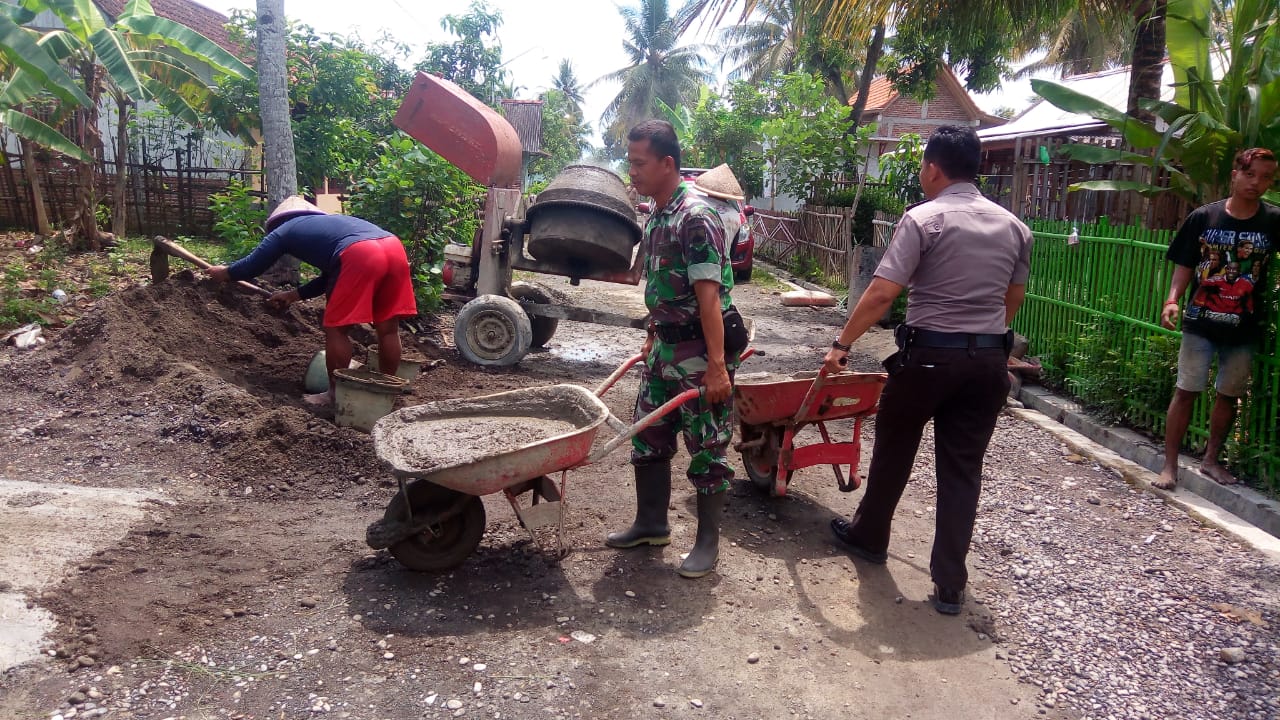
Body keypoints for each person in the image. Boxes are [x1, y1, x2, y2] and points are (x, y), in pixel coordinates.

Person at [821, 125, 1032, 615]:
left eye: (922, 165)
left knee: (894, 449)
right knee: (963, 469)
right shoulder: (1015, 227)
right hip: (988, 363)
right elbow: (1013, 298)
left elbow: (882, 293)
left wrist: (841, 345)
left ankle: (870, 537)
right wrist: (983, 341)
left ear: (933, 168)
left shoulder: (923, 219)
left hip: (928, 358)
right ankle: (950, 584)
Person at [605, 119, 740, 579]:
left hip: (700, 352)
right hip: (663, 349)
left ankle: (707, 545)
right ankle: (651, 524)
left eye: (639, 163)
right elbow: (661, 286)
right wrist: (651, 334)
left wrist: (717, 367)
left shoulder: (695, 217)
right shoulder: (658, 214)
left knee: (707, 449)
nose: (632, 171)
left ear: (667, 163)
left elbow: (710, 299)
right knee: (648, 436)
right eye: (630, 162)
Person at [206, 196, 418, 405]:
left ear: (278, 221)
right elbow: (331, 276)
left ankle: (333, 394)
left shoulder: (284, 230)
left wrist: (225, 272)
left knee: (337, 330)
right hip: (393, 247)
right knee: (388, 329)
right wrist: (293, 295)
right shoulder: (330, 225)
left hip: (359, 253)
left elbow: (253, 265)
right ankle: (386, 390)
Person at [1156, 147, 1279, 489]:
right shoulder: (1204, 217)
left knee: (1229, 394)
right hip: (1200, 322)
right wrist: (1172, 300)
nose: (1256, 183)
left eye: (1265, 177)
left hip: (1244, 326)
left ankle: (1211, 461)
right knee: (1186, 390)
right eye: (1250, 174)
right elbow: (1185, 263)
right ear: (1235, 175)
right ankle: (1169, 465)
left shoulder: (1273, 220)